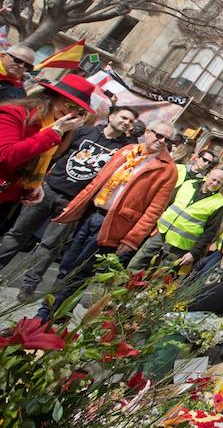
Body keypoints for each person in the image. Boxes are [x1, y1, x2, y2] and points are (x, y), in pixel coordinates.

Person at [35, 122, 178, 321]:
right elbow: (98, 181)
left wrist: (131, 240)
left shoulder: (168, 170)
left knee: (80, 273)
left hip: (114, 226)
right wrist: (75, 206)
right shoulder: (127, 151)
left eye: (167, 140)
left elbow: (153, 211)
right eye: (159, 135)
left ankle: (43, 318)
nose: (162, 142)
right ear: (147, 132)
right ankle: (57, 315)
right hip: (92, 214)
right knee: (67, 266)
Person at [0, 105, 137, 299]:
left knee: (50, 245)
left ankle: (29, 285)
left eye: (131, 121)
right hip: (49, 189)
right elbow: (58, 153)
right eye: (124, 117)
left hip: (74, 202)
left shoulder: (125, 150)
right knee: (18, 233)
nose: (127, 123)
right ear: (111, 116)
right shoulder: (84, 132)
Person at [0, 74, 93, 229]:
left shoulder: (56, 125)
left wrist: (35, 185)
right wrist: (54, 133)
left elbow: (36, 161)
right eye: (70, 105)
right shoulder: (15, 113)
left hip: (8, 197)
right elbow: (6, 155)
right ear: (52, 97)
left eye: (80, 111)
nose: (74, 114)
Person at [127, 165, 223, 271]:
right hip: (160, 234)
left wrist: (193, 253)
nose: (214, 184)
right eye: (213, 179)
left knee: (159, 279)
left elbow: (210, 232)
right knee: (136, 264)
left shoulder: (219, 203)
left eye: (219, 182)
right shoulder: (188, 184)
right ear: (207, 175)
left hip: (179, 247)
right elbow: (167, 203)